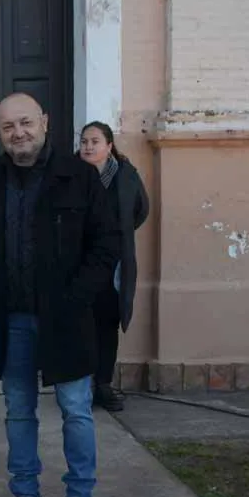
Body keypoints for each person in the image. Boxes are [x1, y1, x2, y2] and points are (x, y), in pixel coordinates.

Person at [0, 93, 120, 497]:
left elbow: (106, 246)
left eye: (25, 123)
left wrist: (75, 298)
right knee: (18, 412)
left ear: (45, 122)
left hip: (67, 318)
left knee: (76, 412)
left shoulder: (80, 178)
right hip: (12, 321)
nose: (18, 133)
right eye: (8, 127)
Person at [77, 121, 150, 412]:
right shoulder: (70, 175)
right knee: (80, 326)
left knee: (107, 325)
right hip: (79, 264)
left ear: (109, 146)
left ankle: (103, 384)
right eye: (84, 141)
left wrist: (119, 235)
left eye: (95, 141)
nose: (88, 147)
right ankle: (80, 385)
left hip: (113, 266)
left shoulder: (125, 175)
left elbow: (141, 210)